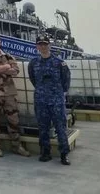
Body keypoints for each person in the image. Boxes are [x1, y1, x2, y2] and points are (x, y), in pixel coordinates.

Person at [0, 33, 30, 158]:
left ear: (0, 41)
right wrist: (6, 67)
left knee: (14, 120)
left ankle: (17, 145)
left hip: (9, 93)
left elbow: (15, 71)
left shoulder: (8, 56)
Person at [28, 34, 72, 165]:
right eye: (40, 44)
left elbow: (66, 82)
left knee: (60, 128)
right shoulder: (33, 63)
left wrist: (56, 93)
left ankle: (64, 154)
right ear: (37, 46)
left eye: (45, 44)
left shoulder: (60, 63)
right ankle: (45, 152)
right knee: (43, 127)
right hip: (41, 101)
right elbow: (33, 80)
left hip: (56, 101)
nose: (43, 46)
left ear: (49, 45)